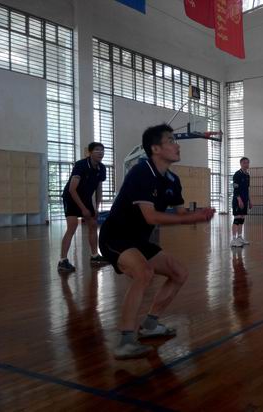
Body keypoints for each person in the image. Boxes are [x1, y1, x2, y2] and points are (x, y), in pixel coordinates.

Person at [99, 124, 215, 360]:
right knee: (143, 273)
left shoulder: (172, 180)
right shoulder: (141, 172)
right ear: (155, 149)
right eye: (171, 140)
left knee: (179, 273)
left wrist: (199, 213)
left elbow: (181, 213)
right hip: (115, 236)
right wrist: (190, 219)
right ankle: (125, 341)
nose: (177, 145)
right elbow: (150, 217)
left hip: (139, 240)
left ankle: (150, 325)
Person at [58, 142, 107, 273]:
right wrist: (83, 209)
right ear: (90, 153)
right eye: (97, 150)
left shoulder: (102, 168)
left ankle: (95, 256)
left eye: (102, 150)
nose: (100, 152)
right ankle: (62, 261)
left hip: (85, 198)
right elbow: (72, 189)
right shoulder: (81, 165)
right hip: (71, 197)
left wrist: (96, 207)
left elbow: (99, 189)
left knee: (93, 225)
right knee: (72, 226)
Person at [231, 157, 252, 247]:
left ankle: (239, 237)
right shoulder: (237, 174)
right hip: (238, 200)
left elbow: (247, 189)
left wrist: (250, 201)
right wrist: (239, 200)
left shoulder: (247, 175)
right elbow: (235, 189)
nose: (246, 164)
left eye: (247, 163)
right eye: (244, 163)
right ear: (241, 164)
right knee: (237, 218)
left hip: (245, 200)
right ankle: (233, 240)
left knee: (242, 219)